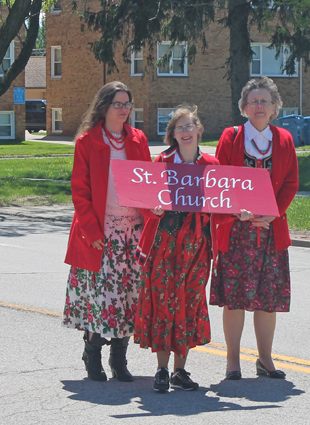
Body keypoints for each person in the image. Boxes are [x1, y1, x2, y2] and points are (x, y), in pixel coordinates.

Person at [210, 77, 299, 380]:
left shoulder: (284, 139)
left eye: (265, 101)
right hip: (237, 232)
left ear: (275, 108)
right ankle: (232, 361)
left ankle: (265, 359)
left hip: (271, 232)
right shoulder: (231, 136)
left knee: (268, 300)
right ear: (244, 107)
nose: (259, 106)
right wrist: (237, 210)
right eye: (253, 101)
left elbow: (290, 183)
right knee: (233, 299)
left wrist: (274, 213)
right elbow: (219, 179)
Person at [62, 81, 151, 382]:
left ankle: (119, 360)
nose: (124, 109)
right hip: (101, 235)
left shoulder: (138, 139)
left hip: (133, 233)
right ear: (104, 106)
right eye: (118, 104)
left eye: (128, 104)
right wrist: (91, 229)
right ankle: (93, 354)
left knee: (130, 297)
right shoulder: (88, 141)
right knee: (102, 300)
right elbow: (80, 191)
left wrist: (155, 213)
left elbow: (147, 183)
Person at [134, 105, 219, 392]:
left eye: (189, 126)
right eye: (179, 127)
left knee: (189, 302)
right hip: (163, 243)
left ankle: (179, 371)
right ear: (173, 133)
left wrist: (241, 211)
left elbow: (223, 205)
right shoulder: (160, 161)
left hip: (196, 245)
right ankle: (161, 369)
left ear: (198, 129)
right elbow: (144, 201)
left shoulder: (211, 165)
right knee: (162, 301)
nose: (185, 131)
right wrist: (153, 211)